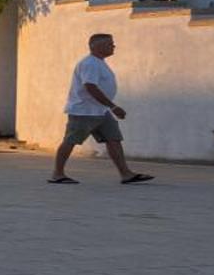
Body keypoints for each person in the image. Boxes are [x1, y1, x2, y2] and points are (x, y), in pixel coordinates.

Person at [51, 33, 153, 185]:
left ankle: (126, 174)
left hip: (100, 111)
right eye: (109, 44)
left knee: (114, 139)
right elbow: (90, 86)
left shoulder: (99, 62)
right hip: (84, 111)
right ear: (96, 46)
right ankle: (57, 174)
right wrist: (113, 106)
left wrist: (108, 107)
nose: (113, 46)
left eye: (112, 43)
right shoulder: (90, 63)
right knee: (71, 140)